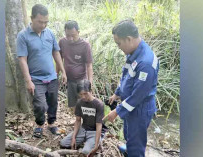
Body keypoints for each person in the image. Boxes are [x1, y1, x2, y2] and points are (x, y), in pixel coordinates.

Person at [103, 20, 159, 157]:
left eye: (119, 43)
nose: (118, 47)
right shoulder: (133, 52)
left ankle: (134, 152)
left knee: (137, 143)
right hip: (130, 105)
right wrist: (116, 94)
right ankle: (129, 148)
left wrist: (116, 111)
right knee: (129, 133)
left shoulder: (145, 63)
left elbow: (138, 96)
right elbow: (126, 76)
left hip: (140, 108)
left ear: (128, 39)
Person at [16, 4, 67, 138]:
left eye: (46, 22)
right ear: (32, 18)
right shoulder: (23, 36)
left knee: (53, 102)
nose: (43, 25)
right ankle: (39, 124)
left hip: (52, 76)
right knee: (40, 105)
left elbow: (56, 52)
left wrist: (63, 71)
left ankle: (51, 124)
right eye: (40, 22)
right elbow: (22, 59)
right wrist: (28, 81)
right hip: (36, 78)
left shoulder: (49, 33)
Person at [60, 80, 104, 157]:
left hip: (93, 132)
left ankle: (97, 141)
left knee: (85, 152)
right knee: (63, 143)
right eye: (81, 94)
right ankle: (85, 141)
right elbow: (77, 121)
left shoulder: (98, 104)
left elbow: (99, 125)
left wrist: (96, 145)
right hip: (83, 129)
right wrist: (73, 137)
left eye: (85, 94)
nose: (83, 97)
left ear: (91, 91)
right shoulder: (79, 103)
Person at [58, 20, 93, 113]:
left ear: (78, 32)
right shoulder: (62, 42)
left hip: (81, 80)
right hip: (69, 80)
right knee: (73, 104)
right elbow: (59, 60)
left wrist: (90, 83)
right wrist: (57, 74)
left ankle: (86, 123)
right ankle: (77, 121)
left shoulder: (85, 45)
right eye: (67, 35)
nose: (70, 38)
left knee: (84, 102)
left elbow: (89, 65)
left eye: (73, 35)